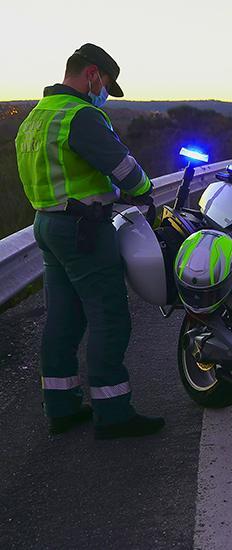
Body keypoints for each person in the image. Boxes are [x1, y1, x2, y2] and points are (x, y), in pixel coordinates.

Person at [14, 44, 165, 439]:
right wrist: (145, 189)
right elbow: (122, 166)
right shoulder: (81, 115)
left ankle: (60, 407)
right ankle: (113, 411)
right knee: (109, 314)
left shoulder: (35, 117)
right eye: (106, 85)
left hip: (46, 224)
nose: (104, 96)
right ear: (93, 74)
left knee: (63, 318)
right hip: (84, 229)